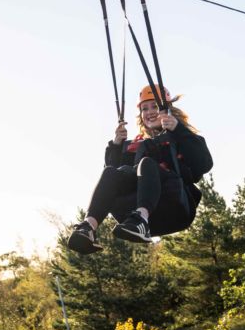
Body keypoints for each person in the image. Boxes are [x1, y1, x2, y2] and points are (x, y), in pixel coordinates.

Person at [67, 85, 213, 254]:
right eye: (144, 108)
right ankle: (88, 227)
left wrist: (178, 130)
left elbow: (204, 164)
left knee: (146, 163)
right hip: (133, 208)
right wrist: (117, 145)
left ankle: (141, 219)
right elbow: (114, 179)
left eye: (155, 107)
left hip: (174, 204)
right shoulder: (138, 147)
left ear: (168, 110)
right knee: (110, 172)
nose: (149, 112)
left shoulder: (183, 138)